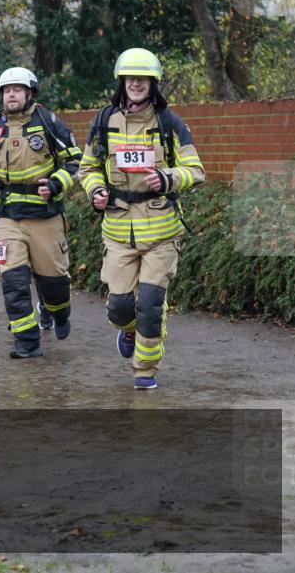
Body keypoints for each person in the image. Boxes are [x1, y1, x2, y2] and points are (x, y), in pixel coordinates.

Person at [78, 48, 205, 390]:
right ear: (122, 82)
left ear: (153, 83)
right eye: (130, 78)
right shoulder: (104, 121)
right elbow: (87, 168)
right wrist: (95, 192)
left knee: (150, 305)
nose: (136, 83)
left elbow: (196, 170)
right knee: (120, 308)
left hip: (162, 230)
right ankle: (129, 331)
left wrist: (167, 178)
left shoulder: (169, 123)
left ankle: (145, 369)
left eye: (142, 78)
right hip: (118, 229)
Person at [0, 68, 82, 359]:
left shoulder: (48, 122)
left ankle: (56, 311)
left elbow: (77, 162)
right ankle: (27, 342)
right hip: (8, 217)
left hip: (45, 215)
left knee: (54, 283)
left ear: (30, 93)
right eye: (6, 90)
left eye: (17, 90)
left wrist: (58, 182)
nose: (11, 94)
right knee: (13, 281)